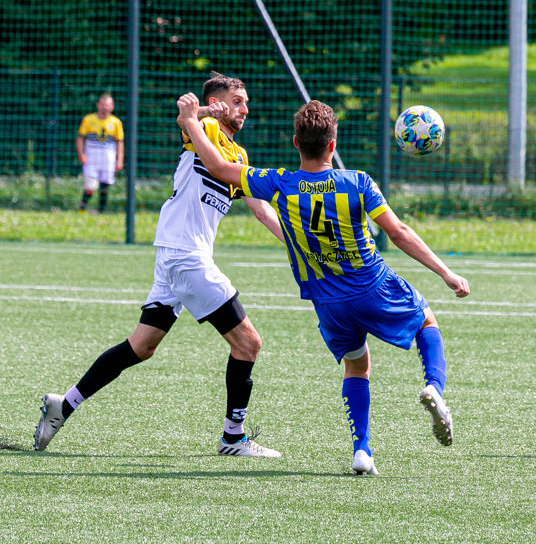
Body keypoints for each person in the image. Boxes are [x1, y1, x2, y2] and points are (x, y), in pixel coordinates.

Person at [176, 94, 470, 475]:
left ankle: (362, 450)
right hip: (371, 284)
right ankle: (434, 386)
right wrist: (445, 272)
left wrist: (191, 122)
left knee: (356, 364)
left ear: (297, 143)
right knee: (427, 322)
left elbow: (215, 165)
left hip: (327, 302)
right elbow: (397, 232)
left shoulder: (280, 183)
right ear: (333, 144)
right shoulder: (358, 182)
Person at [35, 73, 286, 457]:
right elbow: (184, 113)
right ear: (219, 103)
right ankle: (233, 438)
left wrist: (293, 242)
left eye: (245, 101)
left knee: (142, 346)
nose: (245, 109)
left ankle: (63, 404)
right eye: (237, 101)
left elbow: (259, 208)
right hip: (186, 256)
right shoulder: (202, 126)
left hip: (178, 255)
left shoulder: (239, 154)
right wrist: (203, 110)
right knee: (248, 343)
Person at [77, 93, 125, 213]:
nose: (105, 107)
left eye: (107, 105)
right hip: (92, 156)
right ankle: (82, 208)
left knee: (105, 185)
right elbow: (80, 138)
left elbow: (119, 142)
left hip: (108, 156)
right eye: (103, 104)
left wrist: (119, 160)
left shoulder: (115, 122)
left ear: (112, 106)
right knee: (90, 186)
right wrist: (81, 154)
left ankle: (101, 211)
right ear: (98, 105)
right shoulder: (88, 120)